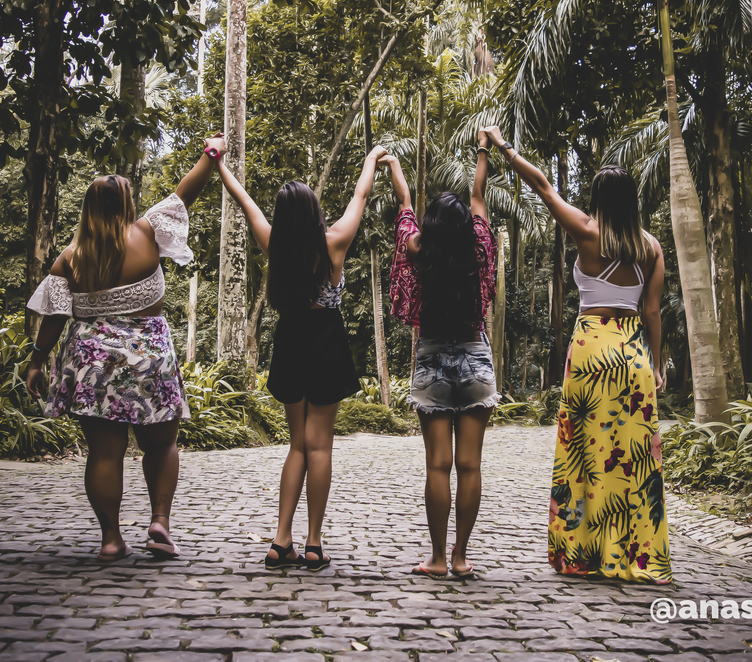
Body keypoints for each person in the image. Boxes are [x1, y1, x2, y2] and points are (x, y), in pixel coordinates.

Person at [480, 127, 671, 584]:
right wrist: (657, 363)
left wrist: (504, 147)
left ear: (599, 199)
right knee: (632, 458)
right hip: (633, 354)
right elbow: (651, 312)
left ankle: (583, 553)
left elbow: (543, 186)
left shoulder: (586, 230)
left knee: (585, 451)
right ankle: (633, 556)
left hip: (591, 351)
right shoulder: (651, 248)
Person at [25, 135, 227, 562]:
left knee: (104, 452)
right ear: (127, 203)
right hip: (148, 357)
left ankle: (111, 539)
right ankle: (159, 522)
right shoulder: (147, 232)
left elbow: (54, 318)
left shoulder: (69, 258)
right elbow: (186, 191)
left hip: (91, 361)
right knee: (161, 444)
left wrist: (36, 362)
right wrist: (211, 153)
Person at [215, 146, 387, 571]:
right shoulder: (335, 242)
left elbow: (244, 200)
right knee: (320, 446)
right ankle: (313, 544)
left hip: (291, 340)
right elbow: (360, 196)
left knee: (297, 445)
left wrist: (218, 164)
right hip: (326, 339)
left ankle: (280, 541)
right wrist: (371, 160)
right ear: (314, 212)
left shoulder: (274, 243)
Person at [384, 129, 500, 580]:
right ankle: (461, 557)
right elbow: (479, 195)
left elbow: (405, 209)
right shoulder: (479, 246)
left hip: (431, 357)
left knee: (438, 465)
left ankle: (435, 558)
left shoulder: (418, 249)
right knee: (470, 466)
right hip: (475, 356)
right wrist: (483, 149)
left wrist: (395, 168)